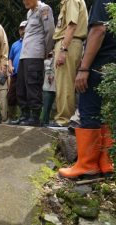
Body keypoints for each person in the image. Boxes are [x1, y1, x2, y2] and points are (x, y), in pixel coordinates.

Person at [58, 0, 115, 179]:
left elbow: (98, 30)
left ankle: (88, 165)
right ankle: (106, 163)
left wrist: (84, 68)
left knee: (90, 109)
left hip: (101, 62)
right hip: (112, 63)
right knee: (107, 113)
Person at [16, 0, 55, 126]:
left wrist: (45, 51)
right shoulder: (29, 13)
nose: (24, 1)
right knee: (21, 85)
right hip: (25, 54)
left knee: (33, 84)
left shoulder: (44, 9)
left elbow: (50, 31)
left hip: (35, 54)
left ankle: (35, 117)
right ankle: (24, 115)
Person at [51, 0, 88, 127]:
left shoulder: (71, 0)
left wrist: (63, 49)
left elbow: (72, 26)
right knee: (67, 82)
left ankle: (63, 119)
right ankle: (68, 118)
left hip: (68, 43)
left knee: (65, 83)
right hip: (70, 43)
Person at [8, 21, 27, 124]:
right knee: (11, 95)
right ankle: (11, 117)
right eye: (21, 29)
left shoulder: (31, 42)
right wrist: (10, 66)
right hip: (15, 74)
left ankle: (22, 117)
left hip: (27, 74)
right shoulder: (15, 44)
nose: (22, 30)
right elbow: (10, 58)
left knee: (23, 95)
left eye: (24, 28)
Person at [42, 51, 55, 127]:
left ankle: (56, 121)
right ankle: (45, 121)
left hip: (59, 84)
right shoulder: (46, 61)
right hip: (48, 86)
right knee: (46, 105)